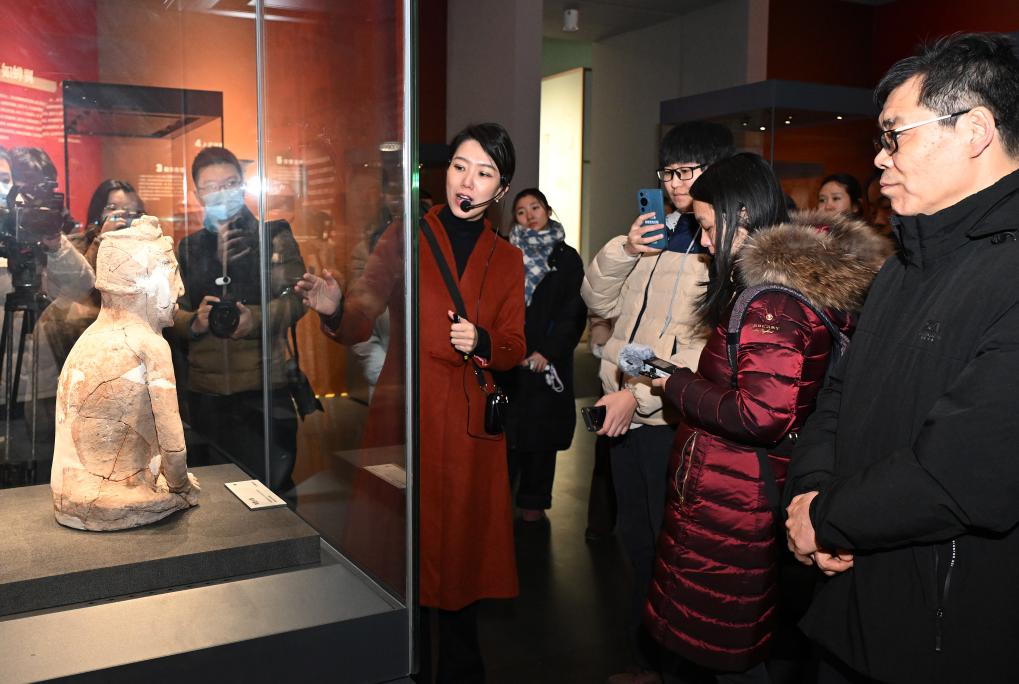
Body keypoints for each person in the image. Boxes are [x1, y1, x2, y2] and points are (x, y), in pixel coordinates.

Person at [784, 33, 1019, 683]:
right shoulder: (900, 268)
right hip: (850, 605)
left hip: (943, 636)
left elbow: (965, 476)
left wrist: (825, 518)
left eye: (895, 135)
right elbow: (837, 397)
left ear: (974, 131)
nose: (879, 157)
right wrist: (809, 493)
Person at [643, 153, 890, 683]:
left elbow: (760, 414)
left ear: (742, 215)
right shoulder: (789, 286)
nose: (705, 241)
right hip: (742, 485)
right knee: (725, 638)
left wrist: (677, 384)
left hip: (738, 492)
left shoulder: (771, 303)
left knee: (726, 645)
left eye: (709, 227)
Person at [294, 123, 526, 683]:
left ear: (500, 189)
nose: (467, 181)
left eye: (484, 173)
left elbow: (515, 345)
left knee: (462, 558)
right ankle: (407, 668)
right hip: (408, 413)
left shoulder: (507, 258)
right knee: (405, 555)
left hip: (468, 425)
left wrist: (484, 341)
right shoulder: (407, 235)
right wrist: (334, 308)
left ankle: (461, 672)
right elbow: (361, 315)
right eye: (460, 167)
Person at [582, 121, 733, 684]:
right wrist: (625, 249)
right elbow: (597, 302)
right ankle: (647, 659)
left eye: (687, 171)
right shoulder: (654, 233)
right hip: (626, 410)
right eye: (669, 171)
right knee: (637, 542)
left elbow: (702, 350)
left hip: (672, 419)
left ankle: (672, 666)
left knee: (674, 550)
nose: (675, 183)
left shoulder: (722, 244)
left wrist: (636, 393)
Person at [173, 146, 306, 492]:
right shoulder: (188, 248)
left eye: (230, 184)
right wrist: (195, 322)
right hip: (206, 391)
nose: (222, 193)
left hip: (264, 386)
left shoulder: (272, 235)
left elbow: (297, 299)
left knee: (274, 491)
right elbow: (171, 312)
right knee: (212, 495)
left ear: (243, 186)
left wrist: (256, 319)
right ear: (197, 194)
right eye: (212, 187)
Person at [0, 147, 94, 485]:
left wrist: (53, 242)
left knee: (44, 472)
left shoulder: (47, 237)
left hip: (41, 383)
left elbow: (82, 286)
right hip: (7, 380)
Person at [500, 188, 586, 522]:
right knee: (506, 437)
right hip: (510, 361)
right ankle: (498, 507)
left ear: (547, 210)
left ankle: (533, 505)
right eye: (521, 211)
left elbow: (573, 312)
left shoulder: (566, 258)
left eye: (534, 207)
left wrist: (548, 352)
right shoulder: (505, 253)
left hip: (547, 362)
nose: (529, 216)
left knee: (541, 438)